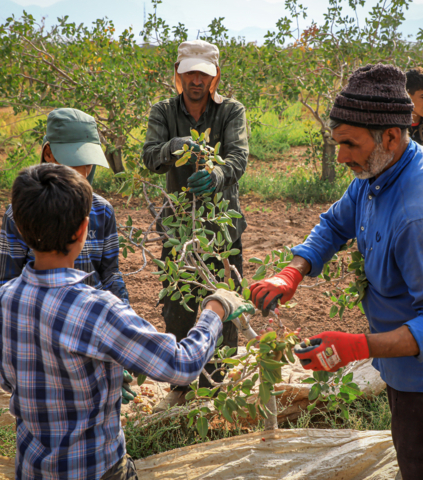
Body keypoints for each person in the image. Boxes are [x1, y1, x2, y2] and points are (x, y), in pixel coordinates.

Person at [250, 64, 423, 480]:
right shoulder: (378, 168)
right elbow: (336, 223)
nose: (341, 156)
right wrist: (292, 271)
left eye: (349, 144)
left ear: (391, 137)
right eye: (337, 142)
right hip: (408, 361)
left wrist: (356, 347)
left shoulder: (420, 214)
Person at [0, 163, 253, 480]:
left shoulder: (5, 298)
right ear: (83, 230)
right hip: (98, 470)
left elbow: (8, 381)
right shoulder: (96, 309)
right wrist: (215, 309)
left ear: (18, 225)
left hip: (32, 468)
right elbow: (182, 365)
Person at [142, 40, 249, 412]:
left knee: (224, 299)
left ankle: (217, 382)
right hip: (179, 225)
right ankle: (183, 384)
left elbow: (239, 156)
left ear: (215, 76)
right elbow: (149, 157)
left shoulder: (231, 111)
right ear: (178, 75)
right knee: (177, 301)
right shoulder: (163, 112)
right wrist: (176, 146)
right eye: (189, 73)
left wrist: (218, 174)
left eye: (203, 73)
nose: (196, 80)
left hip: (222, 226)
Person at [0, 108, 130, 304]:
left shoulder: (102, 210)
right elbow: (8, 281)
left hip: (94, 317)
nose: (84, 173)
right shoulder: (18, 214)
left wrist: (123, 307)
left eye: (89, 162)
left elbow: (110, 272)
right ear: (49, 153)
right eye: (75, 161)